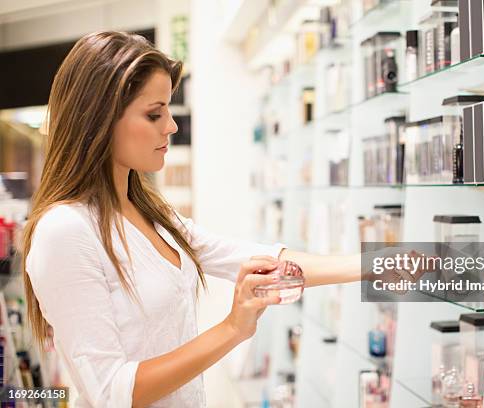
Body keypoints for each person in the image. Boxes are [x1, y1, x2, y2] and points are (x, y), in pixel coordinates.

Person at [22, 31, 362, 408]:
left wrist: (381, 264)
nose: (171, 126)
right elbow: (111, 392)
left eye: (167, 109)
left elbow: (254, 258)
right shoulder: (66, 231)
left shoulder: (152, 213)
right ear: (98, 119)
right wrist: (232, 329)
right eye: (154, 113)